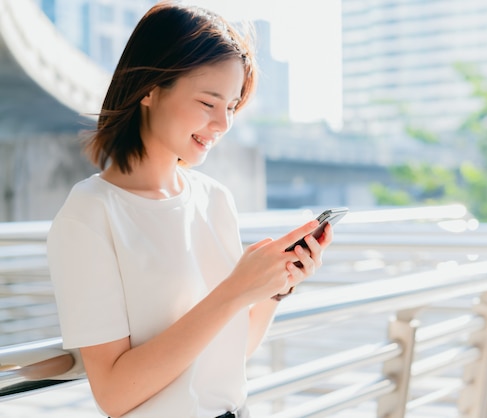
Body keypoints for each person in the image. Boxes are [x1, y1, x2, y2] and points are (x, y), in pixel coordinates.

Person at [46, 2, 333, 417]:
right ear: (149, 88)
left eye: (232, 106)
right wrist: (235, 289)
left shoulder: (215, 199)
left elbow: (229, 354)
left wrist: (273, 287)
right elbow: (114, 393)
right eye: (208, 102)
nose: (224, 123)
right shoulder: (90, 216)